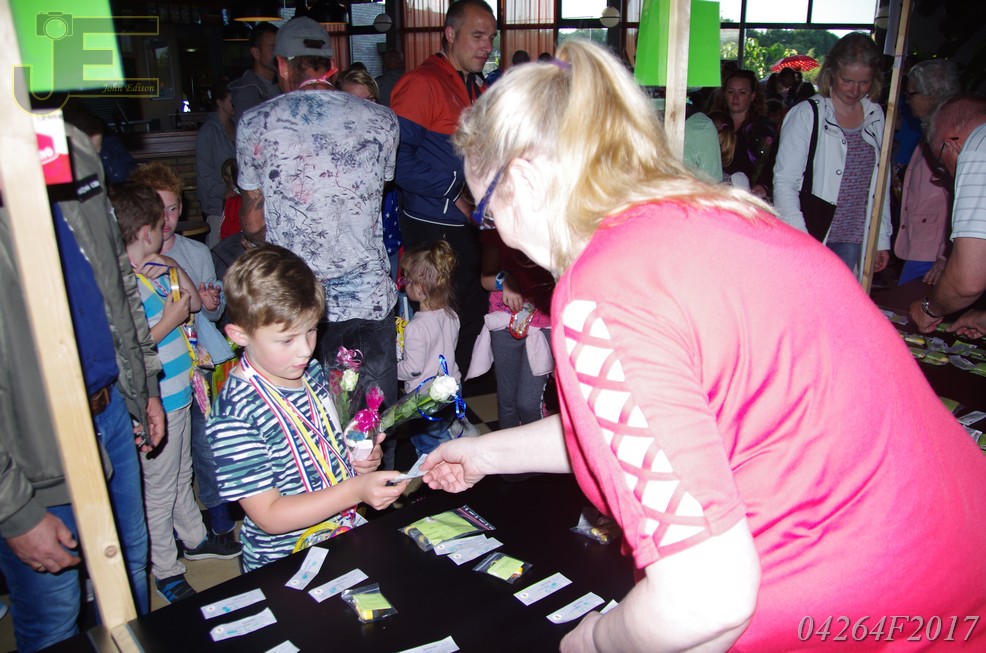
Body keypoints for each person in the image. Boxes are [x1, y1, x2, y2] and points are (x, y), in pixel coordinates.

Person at [419, 39, 986, 652]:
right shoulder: (726, 217)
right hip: (952, 563)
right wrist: (485, 454)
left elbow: (706, 598)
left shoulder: (605, 289)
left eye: (488, 212)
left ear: (527, 180)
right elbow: (665, 423)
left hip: (854, 610)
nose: (496, 234)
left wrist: (592, 643)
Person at [0, 125, 163, 653]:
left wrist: (144, 383)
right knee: (54, 614)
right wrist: (13, 509)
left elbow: (118, 281)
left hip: (111, 409)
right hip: (33, 447)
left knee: (130, 566)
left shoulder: (69, 147)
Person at [236, 17, 400, 467]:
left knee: (308, 439)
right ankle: (379, 505)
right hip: (368, 301)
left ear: (282, 64)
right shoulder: (382, 121)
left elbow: (253, 219)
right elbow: (375, 190)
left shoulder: (256, 123)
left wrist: (257, 240)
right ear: (332, 63)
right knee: (373, 429)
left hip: (295, 310)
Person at [207, 245, 405, 572]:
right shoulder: (235, 413)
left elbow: (326, 442)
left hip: (339, 534)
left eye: (311, 329)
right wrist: (353, 491)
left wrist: (360, 457)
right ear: (240, 335)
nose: (304, 350)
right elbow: (268, 515)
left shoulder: (308, 371)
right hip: (285, 562)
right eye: (286, 340)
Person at [111, 182, 227, 604]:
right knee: (158, 490)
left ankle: (194, 538)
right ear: (146, 231)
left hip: (178, 393)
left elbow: (193, 304)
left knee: (181, 475)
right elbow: (128, 350)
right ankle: (165, 568)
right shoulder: (123, 285)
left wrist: (172, 268)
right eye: (159, 225)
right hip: (156, 400)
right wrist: (169, 319)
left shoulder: (150, 270)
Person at [129, 163, 242, 555]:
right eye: (158, 211)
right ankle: (169, 554)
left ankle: (206, 529)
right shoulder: (128, 271)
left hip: (197, 366)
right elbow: (135, 339)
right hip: (162, 382)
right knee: (165, 474)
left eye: (174, 209)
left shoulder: (192, 252)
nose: (167, 220)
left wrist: (208, 301)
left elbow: (207, 310)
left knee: (202, 451)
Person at [390, 0, 498, 379]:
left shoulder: (476, 85)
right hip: (434, 226)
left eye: (491, 37)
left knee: (468, 321)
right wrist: (456, 190)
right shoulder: (423, 83)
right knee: (437, 332)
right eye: (477, 36)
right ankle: (436, 407)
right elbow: (397, 162)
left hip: (470, 227)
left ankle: (455, 401)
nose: (487, 46)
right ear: (450, 34)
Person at [773, 33, 892, 280]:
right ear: (832, 73)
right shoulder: (806, 114)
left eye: (864, 82)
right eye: (847, 81)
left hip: (855, 234)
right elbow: (785, 181)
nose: (855, 90)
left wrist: (881, 238)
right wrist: (800, 239)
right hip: (814, 229)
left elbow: (882, 180)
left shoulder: (876, 115)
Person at [908, 94, 986, 333]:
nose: (949, 176)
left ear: (950, 145)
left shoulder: (976, 150)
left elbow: (968, 281)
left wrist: (928, 309)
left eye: (942, 165)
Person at [475, 230, 555, 429]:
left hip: (543, 325)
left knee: (528, 404)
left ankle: (538, 447)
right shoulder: (496, 230)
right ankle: (509, 448)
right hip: (504, 322)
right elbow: (486, 279)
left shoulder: (552, 228)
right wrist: (504, 280)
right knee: (507, 403)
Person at [894, 59, 960, 285]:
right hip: (924, 242)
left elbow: (957, 197)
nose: (908, 101)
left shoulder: (948, 133)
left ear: (930, 94)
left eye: (911, 94)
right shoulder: (933, 127)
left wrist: (945, 255)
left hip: (932, 249)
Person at [397, 242, 465, 454]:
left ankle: (439, 463)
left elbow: (413, 369)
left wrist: (392, 367)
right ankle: (451, 445)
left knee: (426, 444)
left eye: (406, 279)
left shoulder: (416, 327)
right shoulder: (451, 315)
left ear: (420, 288)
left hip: (426, 397)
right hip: (452, 387)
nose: (403, 284)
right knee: (441, 429)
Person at [709, 69, 776, 200]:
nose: (735, 98)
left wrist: (764, 185)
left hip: (749, 197)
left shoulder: (764, 129)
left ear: (753, 96)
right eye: (731, 92)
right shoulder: (710, 123)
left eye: (742, 92)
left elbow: (773, 164)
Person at [195, 79, 236, 248]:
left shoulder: (237, 126)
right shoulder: (208, 131)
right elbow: (204, 172)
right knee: (218, 248)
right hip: (217, 206)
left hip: (237, 203)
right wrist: (224, 192)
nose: (235, 104)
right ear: (219, 101)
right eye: (231, 100)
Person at [229, 22, 281, 123]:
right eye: (273, 49)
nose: (278, 53)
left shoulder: (281, 85)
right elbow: (247, 131)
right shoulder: (248, 93)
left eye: (280, 48)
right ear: (256, 52)